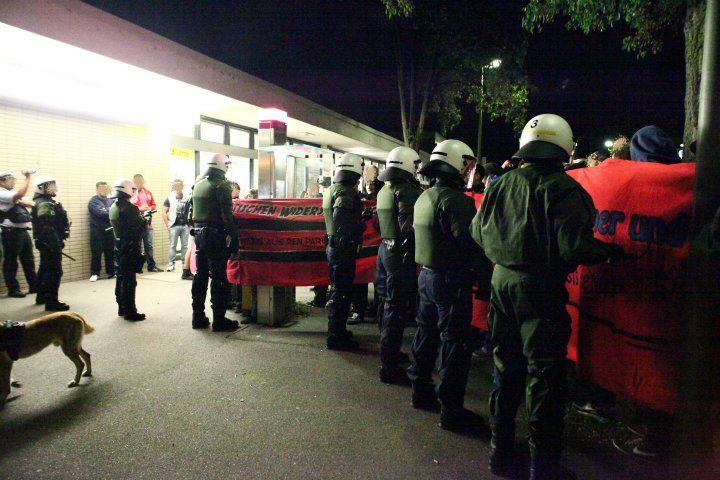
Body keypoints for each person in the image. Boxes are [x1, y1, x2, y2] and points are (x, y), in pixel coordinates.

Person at [471, 114, 627, 480]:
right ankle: (543, 465)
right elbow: (574, 247)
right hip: (539, 292)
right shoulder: (564, 189)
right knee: (543, 375)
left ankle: (500, 452)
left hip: (501, 283)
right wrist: (609, 252)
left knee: (505, 369)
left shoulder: (500, 184)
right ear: (562, 147)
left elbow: (477, 233)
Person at [408, 139, 491, 434]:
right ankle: (451, 411)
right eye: (467, 163)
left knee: (426, 334)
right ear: (457, 164)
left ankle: (420, 391)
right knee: (455, 344)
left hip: (427, 277)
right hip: (451, 280)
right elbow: (470, 245)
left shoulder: (424, 196)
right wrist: (485, 281)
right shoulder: (457, 201)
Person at [374, 146, 422, 384]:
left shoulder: (384, 190)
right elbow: (408, 227)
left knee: (386, 305)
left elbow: (377, 224)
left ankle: (388, 354)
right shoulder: (406, 190)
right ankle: (389, 366)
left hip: (385, 250)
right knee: (396, 308)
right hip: (400, 255)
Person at [189, 154, 239, 332]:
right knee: (219, 278)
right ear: (223, 166)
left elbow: (190, 213)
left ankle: (198, 316)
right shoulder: (222, 186)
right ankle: (219, 320)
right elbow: (226, 216)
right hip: (216, 235)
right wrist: (234, 237)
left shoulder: (199, 184)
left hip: (199, 235)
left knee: (200, 276)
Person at [323, 153, 365, 351]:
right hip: (343, 249)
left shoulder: (331, 189)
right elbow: (341, 218)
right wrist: (358, 228)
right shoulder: (346, 193)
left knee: (338, 290)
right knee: (342, 293)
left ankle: (337, 331)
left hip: (334, 248)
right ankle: (336, 335)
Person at [31, 175, 71, 311]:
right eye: (51, 185)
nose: (55, 187)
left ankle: (41, 296)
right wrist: (56, 245)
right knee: (54, 271)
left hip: (46, 243)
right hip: (50, 243)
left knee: (44, 269)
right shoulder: (44, 203)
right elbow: (47, 226)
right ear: (43, 187)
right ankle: (51, 302)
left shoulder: (44, 201)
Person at [109, 179, 147, 321]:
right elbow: (137, 228)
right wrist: (144, 220)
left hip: (118, 245)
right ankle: (130, 312)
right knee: (129, 281)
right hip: (129, 246)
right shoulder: (130, 208)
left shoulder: (114, 206)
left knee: (121, 278)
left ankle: (122, 308)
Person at [0, 170, 37, 297]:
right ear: (2, 182)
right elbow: (20, 195)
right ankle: (13, 289)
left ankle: (34, 285)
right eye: (11, 180)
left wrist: (19, 201)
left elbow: (32, 203)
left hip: (22, 231)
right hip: (10, 232)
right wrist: (27, 177)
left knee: (29, 259)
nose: (13, 182)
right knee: (11, 261)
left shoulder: (11, 193)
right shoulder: (1, 193)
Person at [131, 174, 159, 272]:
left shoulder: (148, 192)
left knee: (149, 245)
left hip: (147, 223)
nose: (140, 184)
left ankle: (151, 266)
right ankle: (137, 267)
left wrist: (149, 208)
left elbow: (153, 205)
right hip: (137, 224)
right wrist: (140, 208)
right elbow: (129, 207)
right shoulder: (131, 194)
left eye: (141, 182)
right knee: (137, 246)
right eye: (137, 182)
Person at [88, 181, 115, 282]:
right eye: (101, 189)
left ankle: (111, 272)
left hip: (110, 230)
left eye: (105, 188)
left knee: (110, 252)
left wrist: (108, 212)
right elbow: (101, 214)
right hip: (97, 232)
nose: (104, 191)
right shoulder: (93, 201)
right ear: (97, 189)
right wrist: (110, 212)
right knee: (97, 253)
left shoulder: (110, 201)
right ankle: (95, 273)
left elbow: (115, 212)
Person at [162, 179, 190, 272]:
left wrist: (189, 224)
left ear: (182, 186)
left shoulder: (187, 197)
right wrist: (168, 224)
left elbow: (190, 210)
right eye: (176, 186)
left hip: (184, 225)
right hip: (173, 225)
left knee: (185, 246)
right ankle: (171, 264)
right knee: (172, 245)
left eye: (179, 185)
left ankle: (184, 264)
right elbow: (164, 211)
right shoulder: (170, 198)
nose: (177, 187)